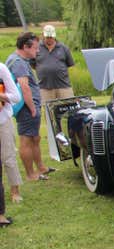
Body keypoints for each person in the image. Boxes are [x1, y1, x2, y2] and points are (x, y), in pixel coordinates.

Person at [7, 32, 54, 182]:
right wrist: (32, 108)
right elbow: (24, 87)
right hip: (27, 108)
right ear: (25, 46)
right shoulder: (19, 62)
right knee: (26, 139)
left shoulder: (18, 60)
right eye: (35, 47)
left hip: (29, 106)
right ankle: (30, 174)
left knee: (35, 137)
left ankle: (41, 167)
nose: (38, 50)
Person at [0, 61, 22, 208]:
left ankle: (15, 190)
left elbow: (16, 97)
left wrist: (1, 96)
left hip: (2, 120)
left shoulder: (1, 68)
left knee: (8, 157)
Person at [36, 25, 75, 103]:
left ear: (54, 35)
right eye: (48, 37)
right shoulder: (37, 48)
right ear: (43, 35)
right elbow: (33, 64)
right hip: (44, 87)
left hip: (63, 86)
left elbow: (70, 64)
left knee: (69, 107)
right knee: (48, 111)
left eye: (51, 37)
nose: (50, 39)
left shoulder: (63, 48)